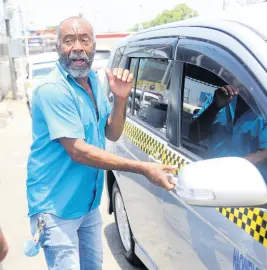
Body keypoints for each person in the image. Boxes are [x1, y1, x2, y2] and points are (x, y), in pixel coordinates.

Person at [26, 17, 176, 270]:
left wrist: (120, 99)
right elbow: (78, 151)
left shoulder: (93, 81)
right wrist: (143, 168)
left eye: (84, 40)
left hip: (86, 202)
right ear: (58, 48)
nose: (77, 47)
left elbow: (113, 133)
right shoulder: (53, 89)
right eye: (69, 41)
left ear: (94, 46)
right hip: (55, 206)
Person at [189, 85, 267, 168]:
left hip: (243, 177)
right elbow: (193, 136)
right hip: (209, 170)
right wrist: (215, 107)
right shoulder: (216, 99)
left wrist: (231, 167)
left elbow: (266, 154)